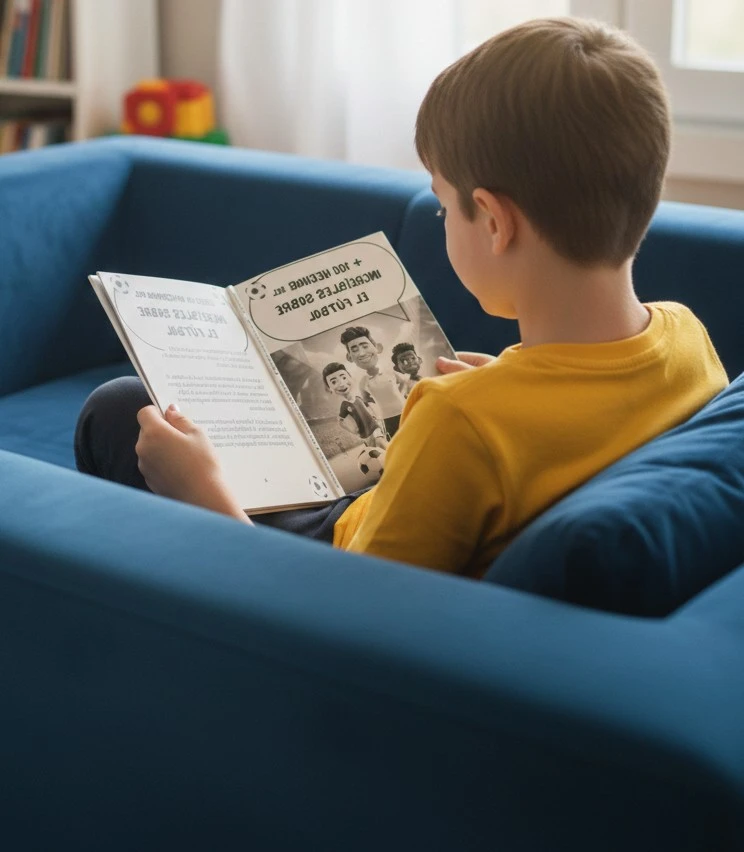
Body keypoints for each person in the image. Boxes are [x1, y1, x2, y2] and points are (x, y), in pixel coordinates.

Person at [76, 17, 728, 578]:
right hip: (383, 512)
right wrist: (510, 382)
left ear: (495, 222)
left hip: (325, 565)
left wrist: (204, 493)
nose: (440, 221)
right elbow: (591, 423)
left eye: (443, 207)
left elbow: (344, 623)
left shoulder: (460, 423)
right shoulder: (686, 336)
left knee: (124, 413)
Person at [339, 326, 407, 438]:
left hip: (404, 410)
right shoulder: (363, 382)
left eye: (365, 346)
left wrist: (400, 395)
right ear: (349, 357)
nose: (361, 353)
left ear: (378, 348)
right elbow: (366, 401)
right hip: (387, 417)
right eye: (354, 350)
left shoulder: (389, 372)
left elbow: (403, 382)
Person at [322, 362, 388, 450]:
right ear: (329, 388)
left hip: (375, 426)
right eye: (334, 382)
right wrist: (353, 430)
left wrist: (378, 417)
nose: (342, 383)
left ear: (350, 377)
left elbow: (371, 405)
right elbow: (340, 420)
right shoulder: (344, 405)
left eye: (344, 377)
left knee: (382, 443)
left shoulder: (359, 397)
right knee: (375, 451)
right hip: (364, 434)